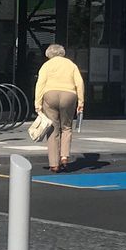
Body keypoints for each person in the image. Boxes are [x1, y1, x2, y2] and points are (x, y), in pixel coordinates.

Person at [34, 43, 85, 172]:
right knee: (66, 127)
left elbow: (40, 84)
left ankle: (54, 163)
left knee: (52, 128)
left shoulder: (46, 65)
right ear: (62, 53)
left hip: (50, 94)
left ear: (48, 54)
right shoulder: (71, 65)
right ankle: (64, 156)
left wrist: (37, 103)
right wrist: (81, 101)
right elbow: (79, 82)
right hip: (69, 95)